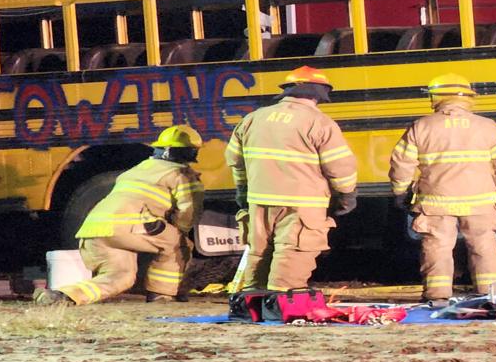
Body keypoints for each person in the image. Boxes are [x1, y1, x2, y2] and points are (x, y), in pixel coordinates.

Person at [388, 73, 496, 307]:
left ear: (436, 97)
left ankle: (438, 296)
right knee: (483, 244)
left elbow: (402, 163)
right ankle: (490, 293)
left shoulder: (422, 126)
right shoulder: (486, 126)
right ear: (468, 98)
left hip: (437, 200)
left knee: (437, 245)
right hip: (480, 200)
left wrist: (400, 192)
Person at [36, 126, 205, 306]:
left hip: (94, 230)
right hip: (130, 228)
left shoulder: (137, 169)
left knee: (120, 278)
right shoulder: (182, 175)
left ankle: (63, 296)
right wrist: (177, 228)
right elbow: (188, 215)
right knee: (180, 244)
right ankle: (161, 295)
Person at [224, 66, 358, 292]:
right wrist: (347, 194)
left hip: (259, 198)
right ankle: (280, 299)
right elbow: (339, 165)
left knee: (259, 250)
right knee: (293, 250)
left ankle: (253, 299)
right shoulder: (319, 122)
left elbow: (235, 159)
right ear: (318, 95)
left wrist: (242, 188)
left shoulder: (253, 118)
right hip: (303, 203)